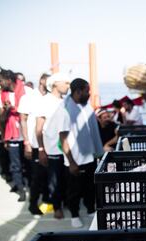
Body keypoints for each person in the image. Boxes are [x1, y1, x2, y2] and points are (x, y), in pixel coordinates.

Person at [56, 78, 103, 228]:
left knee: (90, 186)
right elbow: (63, 138)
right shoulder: (65, 110)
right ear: (78, 92)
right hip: (75, 158)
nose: (89, 94)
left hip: (89, 155)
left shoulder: (86, 106)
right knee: (74, 190)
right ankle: (74, 215)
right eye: (87, 91)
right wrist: (71, 162)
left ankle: (90, 208)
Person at [35, 72, 70, 219]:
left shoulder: (66, 101)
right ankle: (57, 206)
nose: (68, 86)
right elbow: (38, 128)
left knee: (66, 179)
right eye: (66, 83)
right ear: (55, 84)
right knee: (54, 181)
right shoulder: (45, 101)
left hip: (67, 149)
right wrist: (41, 149)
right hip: (52, 149)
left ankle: (66, 202)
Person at [18, 73, 50, 215]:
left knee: (49, 174)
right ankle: (33, 204)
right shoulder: (28, 97)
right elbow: (23, 120)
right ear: (42, 80)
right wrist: (26, 143)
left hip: (51, 144)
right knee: (37, 175)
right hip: (35, 143)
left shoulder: (51, 98)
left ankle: (48, 201)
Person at [0, 70, 27, 201]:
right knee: (15, 163)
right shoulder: (3, 94)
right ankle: (21, 189)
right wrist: (7, 110)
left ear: (8, 80)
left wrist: (14, 108)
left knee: (27, 163)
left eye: (1, 80)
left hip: (25, 131)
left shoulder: (23, 90)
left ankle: (27, 184)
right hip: (12, 133)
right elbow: (2, 118)